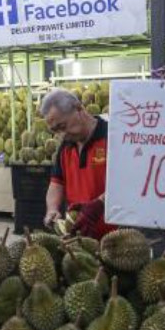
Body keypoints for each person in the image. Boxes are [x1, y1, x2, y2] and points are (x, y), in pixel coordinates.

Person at [41, 88, 114, 240]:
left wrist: (100, 203)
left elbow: (131, 183)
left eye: (62, 126)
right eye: (55, 131)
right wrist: (52, 210)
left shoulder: (112, 136)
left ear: (79, 108)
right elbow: (56, 183)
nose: (61, 134)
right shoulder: (65, 146)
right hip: (79, 236)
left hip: (115, 238)